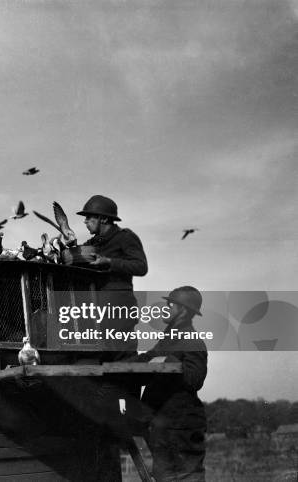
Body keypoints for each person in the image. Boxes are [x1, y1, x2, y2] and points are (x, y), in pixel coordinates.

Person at [137, 286, 208, 482]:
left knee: (187, 477)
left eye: (170, 304)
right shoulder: (168, 338)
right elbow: (148, 360)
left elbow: (195, 379)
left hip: (182, 426)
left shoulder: (192, 340)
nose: (164, 308)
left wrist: (168, 362)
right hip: (164, 425)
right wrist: (124, 364)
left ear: (183, 310)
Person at [75, 194, 148, 360]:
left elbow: (141, 266)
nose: (85, 221)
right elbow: (77, 256)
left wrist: (109, 261)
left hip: (118, 308)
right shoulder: (93, 243)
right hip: (97, 309)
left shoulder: (125, 237)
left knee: (122, 356)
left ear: (103, 219)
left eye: (89, 217)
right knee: (98, 356)